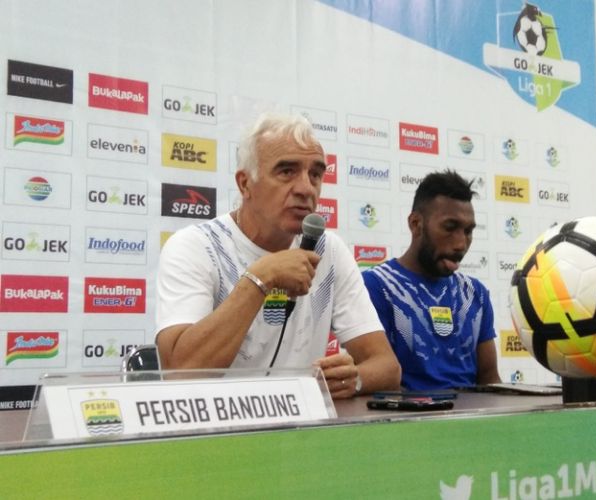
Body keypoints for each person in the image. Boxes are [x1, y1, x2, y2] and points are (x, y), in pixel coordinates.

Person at [155, 113, 400, 399]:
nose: (306, 188)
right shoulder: (196, 246)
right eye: (287, 172)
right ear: (245, 184)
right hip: (217, 433)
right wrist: (261, 277)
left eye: (315, 174)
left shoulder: (329, 250)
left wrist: (354, 378)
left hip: (300, 431)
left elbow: (387, 367)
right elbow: (180, 372)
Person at [362, 169, 501, 390]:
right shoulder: (376, 286)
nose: (461, 244)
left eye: (468, 231)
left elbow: (490, 380)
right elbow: (376, 383)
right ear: (416, 224)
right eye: (450, 228)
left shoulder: (475, 293)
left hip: (474, 423)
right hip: (408, 423)